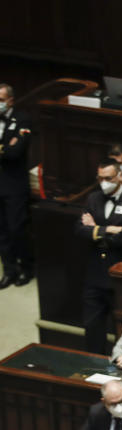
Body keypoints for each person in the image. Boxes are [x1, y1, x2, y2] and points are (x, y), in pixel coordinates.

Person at [75, 159, 122, 355]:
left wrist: (95, 230)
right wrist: (110, 230)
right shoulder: (93, 199)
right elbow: (80, 230)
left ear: (120, 176)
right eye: (100, 178)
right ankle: (94, 365)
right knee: (92, 327)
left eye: (108, 178)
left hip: (120, 275)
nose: (104, 182)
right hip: (95, 273)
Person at [0, 83, 34, 288]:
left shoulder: (22, 119)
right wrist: (5, 147)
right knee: (1, 231)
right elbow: (8, 150)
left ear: (11, 100)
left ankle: (27, 268)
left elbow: (15, 153)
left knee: (16, 229)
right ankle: (9, 270)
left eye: (1, 100)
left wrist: (7, 149)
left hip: (14, 186)